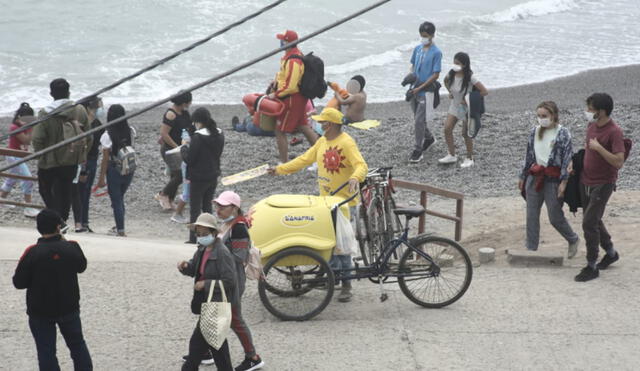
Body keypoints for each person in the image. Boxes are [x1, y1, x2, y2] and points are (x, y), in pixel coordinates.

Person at [269, 107, 368, 302]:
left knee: (342, 243)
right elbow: (303, 160)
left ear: (329, 125)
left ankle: (346, 283)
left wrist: (356, 178)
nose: (318, 125)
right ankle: (332, 276)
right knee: (328, 241)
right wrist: (280, 169)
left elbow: (361, 165)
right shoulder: (322, 142)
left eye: (321, 123)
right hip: (326, 201)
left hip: (345, 203)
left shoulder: (346, 142)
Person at [13, 208, 92, 371]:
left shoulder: (32, 252)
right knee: (77, 346)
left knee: (46, 351)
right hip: (69, 307)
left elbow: (19, 282)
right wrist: (62, 239)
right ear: (58, 227)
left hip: (40, 310)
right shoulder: (72, 247)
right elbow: (81, 266)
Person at [574, 93, 625, 282]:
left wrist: (599, 148)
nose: (587, 112)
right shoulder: (591, 126)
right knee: (593, 219)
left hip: (603, 183)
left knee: (589, 223)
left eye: (590, 109)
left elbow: (618, 161)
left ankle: (591, 265)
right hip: (585, 180)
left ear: (601, 111)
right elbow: (587, 149)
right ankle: (611, 253)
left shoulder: (614, 132)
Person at [518, 101, 580, 257]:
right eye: (538, 116)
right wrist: (522, 176)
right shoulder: (534, 132)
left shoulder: (563, 133)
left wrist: (564, 182)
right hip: (535, 176)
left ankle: (572, 239)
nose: (541, 119)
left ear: (553, 115)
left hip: (553, 179)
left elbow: (567, 159)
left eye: (544, 116)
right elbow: (529, 156)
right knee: (531, 214)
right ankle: (531, 248)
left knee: (555, 216)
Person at [178, 213, 238, 371]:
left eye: (204, 234)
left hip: (215, 306)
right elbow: (195, 269)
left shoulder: (222, 253)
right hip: (208, 305)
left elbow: (230, 281)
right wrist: (185, 267)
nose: (201, 237)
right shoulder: (203, 249)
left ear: (214, 233)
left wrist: (206, 284)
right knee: (218, 348)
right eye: (198, 234)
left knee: (197, 347)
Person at [214, 191, 264, 371]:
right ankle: (204, 352)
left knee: (234, 318)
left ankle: (253, 357)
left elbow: (239, 257)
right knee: (214, 315)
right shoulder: (229, 223)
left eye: (222, 206)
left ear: (234, 208)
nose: (218, 209)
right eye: (217, 205)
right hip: (225, 278)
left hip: (232, 280)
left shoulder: (239, 227)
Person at [32, 78, 91, 229]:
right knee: (66, 192)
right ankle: (62, 219)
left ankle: (57, 220)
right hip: (71, 160)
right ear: (69, 92)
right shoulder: (79, 110)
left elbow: (37, 138)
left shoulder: (45, 114)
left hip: (49, 162)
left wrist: (41, 155)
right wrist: (82, 155)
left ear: (51, 93)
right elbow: (89, 136)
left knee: (46, 190)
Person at [268, 30, 319, 163]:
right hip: (297, 98)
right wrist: (276, 81)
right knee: (304, 126)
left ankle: (284, 162)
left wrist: (276, 94)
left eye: (282, 40)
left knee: (280, 130)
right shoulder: (292, 56)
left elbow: (291, 86)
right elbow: (284, 76)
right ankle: (320, 159)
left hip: (292, 99)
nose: (280, 42)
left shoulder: (293, 60)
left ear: (287, 42)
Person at [181, 107, 225, 243]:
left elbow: (189, 159)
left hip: (198, 177)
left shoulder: (198, 137)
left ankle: (194, 238)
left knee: (195, 209)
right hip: (213, 175)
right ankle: (209, 236)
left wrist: (183, 147)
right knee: (207, 208)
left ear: (198, 122)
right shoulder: (219, 133)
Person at [439, 52, 489, 168]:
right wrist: (450, 93)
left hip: (467, 108)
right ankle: (452, 154)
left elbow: (484, 91)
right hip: (455, 106)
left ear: (464, 65)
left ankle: (469, 157)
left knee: (466, 133)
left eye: (458, 63)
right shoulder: (451, 75)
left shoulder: (470, 77)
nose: (455, 65)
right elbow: (445, 81)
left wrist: (467, 99)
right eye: (454, 62)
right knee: (447, 129)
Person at [95, 104, 136, 237]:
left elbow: (105, 159)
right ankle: (119, 226)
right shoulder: (130, 130)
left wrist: (101, 178)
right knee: (120, 198)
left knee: (116, 200)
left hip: (114, 169)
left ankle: (120, 229)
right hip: (129, 168)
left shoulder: (107, 135)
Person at [408, 21, 442, 163]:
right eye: (421, 35)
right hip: (414, 89)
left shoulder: (436, 52)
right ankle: (429, 138)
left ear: (432, 35)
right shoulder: (417, 49)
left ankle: (418, 149)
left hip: (425, 91)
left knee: (418, 121)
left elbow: (435, 74)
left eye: (426, 36)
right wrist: (410, 77)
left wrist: (420, 87)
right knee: (418, 118)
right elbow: (413, 65)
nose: (423, 38)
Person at [0, 102, 39, 217]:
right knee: (28, 179)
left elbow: (26, 143)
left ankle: (1, 200)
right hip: (13, 155)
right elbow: (27, 140)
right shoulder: (14, 127)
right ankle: (28, 207)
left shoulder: (23, 126)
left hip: (18, 154)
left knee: (11, 179)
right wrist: (31, 128)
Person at [156, 91, 192, 211]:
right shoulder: (170, 114)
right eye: (188, 102)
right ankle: (163, 194)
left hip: (181, 147)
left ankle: (170, 200)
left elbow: (190, 128)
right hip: (170, 149)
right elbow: (164, 133)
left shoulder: (185, 113)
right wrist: (177, 147)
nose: (190, 104)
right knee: (180, 174)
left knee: (174, 175)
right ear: (183, 102)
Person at [76, 97, 106, 232]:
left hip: (92, 159)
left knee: (85, 192)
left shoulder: (97, 124)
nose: (100, 110)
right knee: (81, 192)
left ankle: (84, 221)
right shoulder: (82, 125)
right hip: (84, 161)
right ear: (89, 108)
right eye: (97, 107)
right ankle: (80, 222)